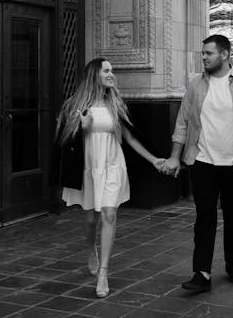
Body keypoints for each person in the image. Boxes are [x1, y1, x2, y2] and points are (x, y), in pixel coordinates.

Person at [162, 34, 233, 293]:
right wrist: (175, 156)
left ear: (224, 54)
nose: (204, 57)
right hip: (202, 162)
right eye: (203, 53)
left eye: (208, 53)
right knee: (204, 216)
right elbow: (182, 121)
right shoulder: (196, 85)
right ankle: (202, 273)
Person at [57, 57, 165, 298]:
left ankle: (104, 272)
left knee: (109, 213)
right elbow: (62, 143)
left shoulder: (115, 104)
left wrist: (153, 159)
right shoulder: (74, 105)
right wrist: (81, 128)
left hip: (113, 165)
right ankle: (90, 248)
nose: (111, 74)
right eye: (106, 70)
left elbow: (130, 138)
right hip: (88, 168)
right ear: (94, 74)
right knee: (90, 219)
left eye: (112, 71)